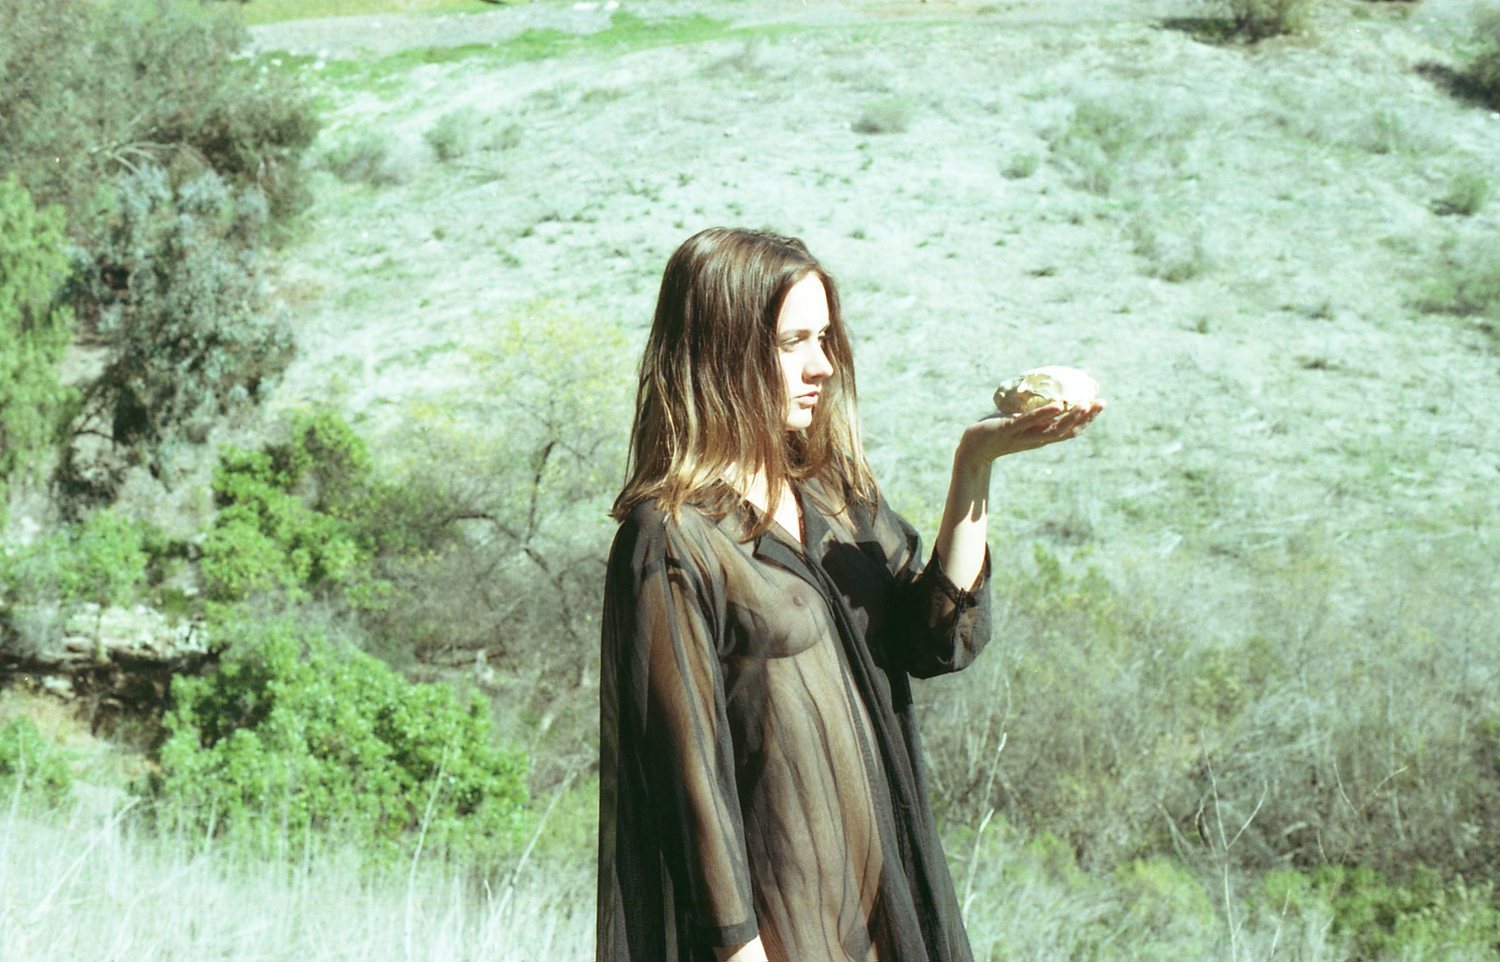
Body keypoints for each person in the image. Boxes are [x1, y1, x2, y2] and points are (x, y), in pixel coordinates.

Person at [597, 228, 1102, 962]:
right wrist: (741, 953)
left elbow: (936, 640)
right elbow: (688, 785)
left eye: (825, 337)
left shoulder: (829, 491)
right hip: (783, 929)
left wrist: (975, 464)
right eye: (792, 341)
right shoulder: (673, 537)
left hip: (886, 908)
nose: (823, 365)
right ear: (721, 352)